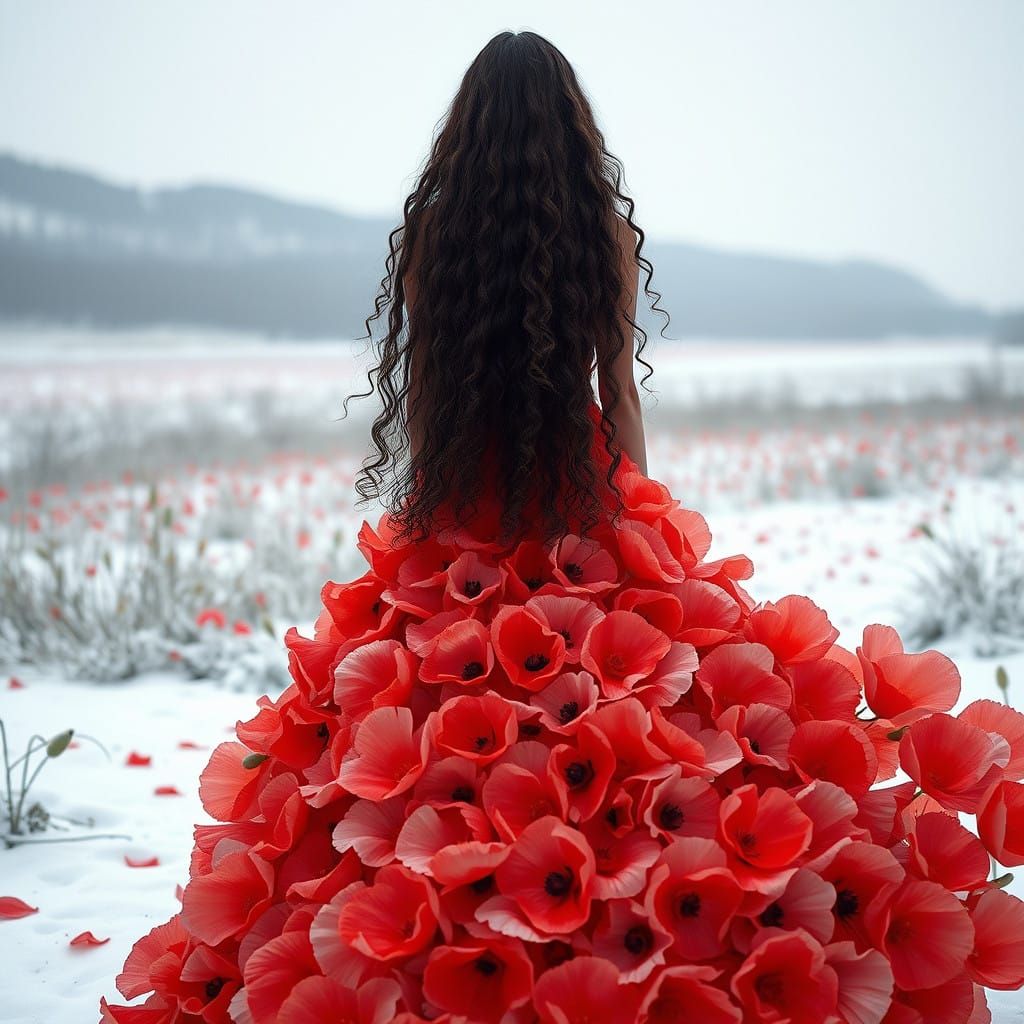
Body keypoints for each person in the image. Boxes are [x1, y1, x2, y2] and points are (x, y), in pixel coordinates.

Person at [101, 30, 1024, 1024]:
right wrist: (642, 535)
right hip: (586, 502)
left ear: (467, 130)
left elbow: (422, 407)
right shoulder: (602, 236)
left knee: (398, 739)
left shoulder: (435, 241)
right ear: (571, 130)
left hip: (460, 511)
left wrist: (428, 521)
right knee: (656, 737)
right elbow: (618, 390)